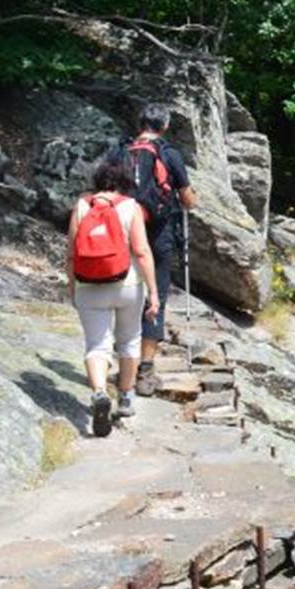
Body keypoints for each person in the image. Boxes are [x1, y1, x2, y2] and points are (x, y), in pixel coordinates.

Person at [68, 153, 160, 436]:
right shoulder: (130, 207)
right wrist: (154, 292)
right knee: (129, 340)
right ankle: (126, 398)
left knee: (97, 344)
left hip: (89, 285)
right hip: (128, 285)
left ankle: (98, 392)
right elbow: (142, 251)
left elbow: (71, 252)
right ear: (123, 182)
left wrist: (72, 285)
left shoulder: (83, 206)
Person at [122, 104, 197, 396]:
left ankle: (123, 359)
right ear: (164, 126)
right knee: (157, 297)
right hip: (159, 233)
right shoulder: (169, 154)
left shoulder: (121, 151)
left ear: (140, 122)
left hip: (126, 231)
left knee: (126, 292)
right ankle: (145, 369)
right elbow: (188, 200)